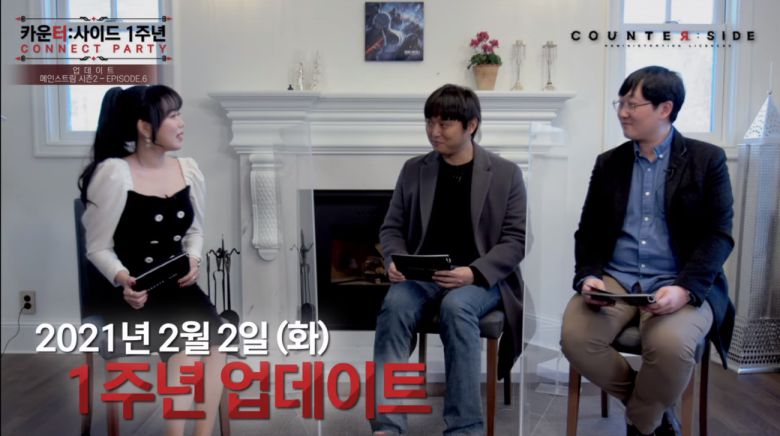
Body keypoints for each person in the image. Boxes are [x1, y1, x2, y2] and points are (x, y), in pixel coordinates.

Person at [561, 66, 735, 436]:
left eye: (632, 104)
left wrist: (685, 289)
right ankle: (654, 413)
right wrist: (588, 276)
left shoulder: (707, 160)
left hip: (678, 280)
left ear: (665, 108)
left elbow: (719, 235)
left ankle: (641, 425)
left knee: (670, 346)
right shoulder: (609, 163)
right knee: (576, 339)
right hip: (616, 280)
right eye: (620, 104)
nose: (623, 112)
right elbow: (588, 231)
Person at [371, 84, 526, 435]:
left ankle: (464, 428)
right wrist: (394, 260)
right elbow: (392, 227)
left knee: (457, 308)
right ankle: (387, 425)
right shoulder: (414, 169)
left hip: (479, 278)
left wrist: (473, 272)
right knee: (394, 306)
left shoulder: (506, 174)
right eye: (429, 122)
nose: (434, 131)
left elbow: (516, 241)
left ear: (471, 125)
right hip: (422, 275)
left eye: (444, 124)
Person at [78, 85, 226, 436]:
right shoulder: (114, 174)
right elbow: (97, 248)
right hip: (131, 291)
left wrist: (193, 259)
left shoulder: (188, 170)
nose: (181, 123)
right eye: (172, 115)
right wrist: (123, 279)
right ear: (145, 127)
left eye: (179, 113)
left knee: (216, 342)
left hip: (176, 284)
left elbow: (195, 231)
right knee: (187, 344)